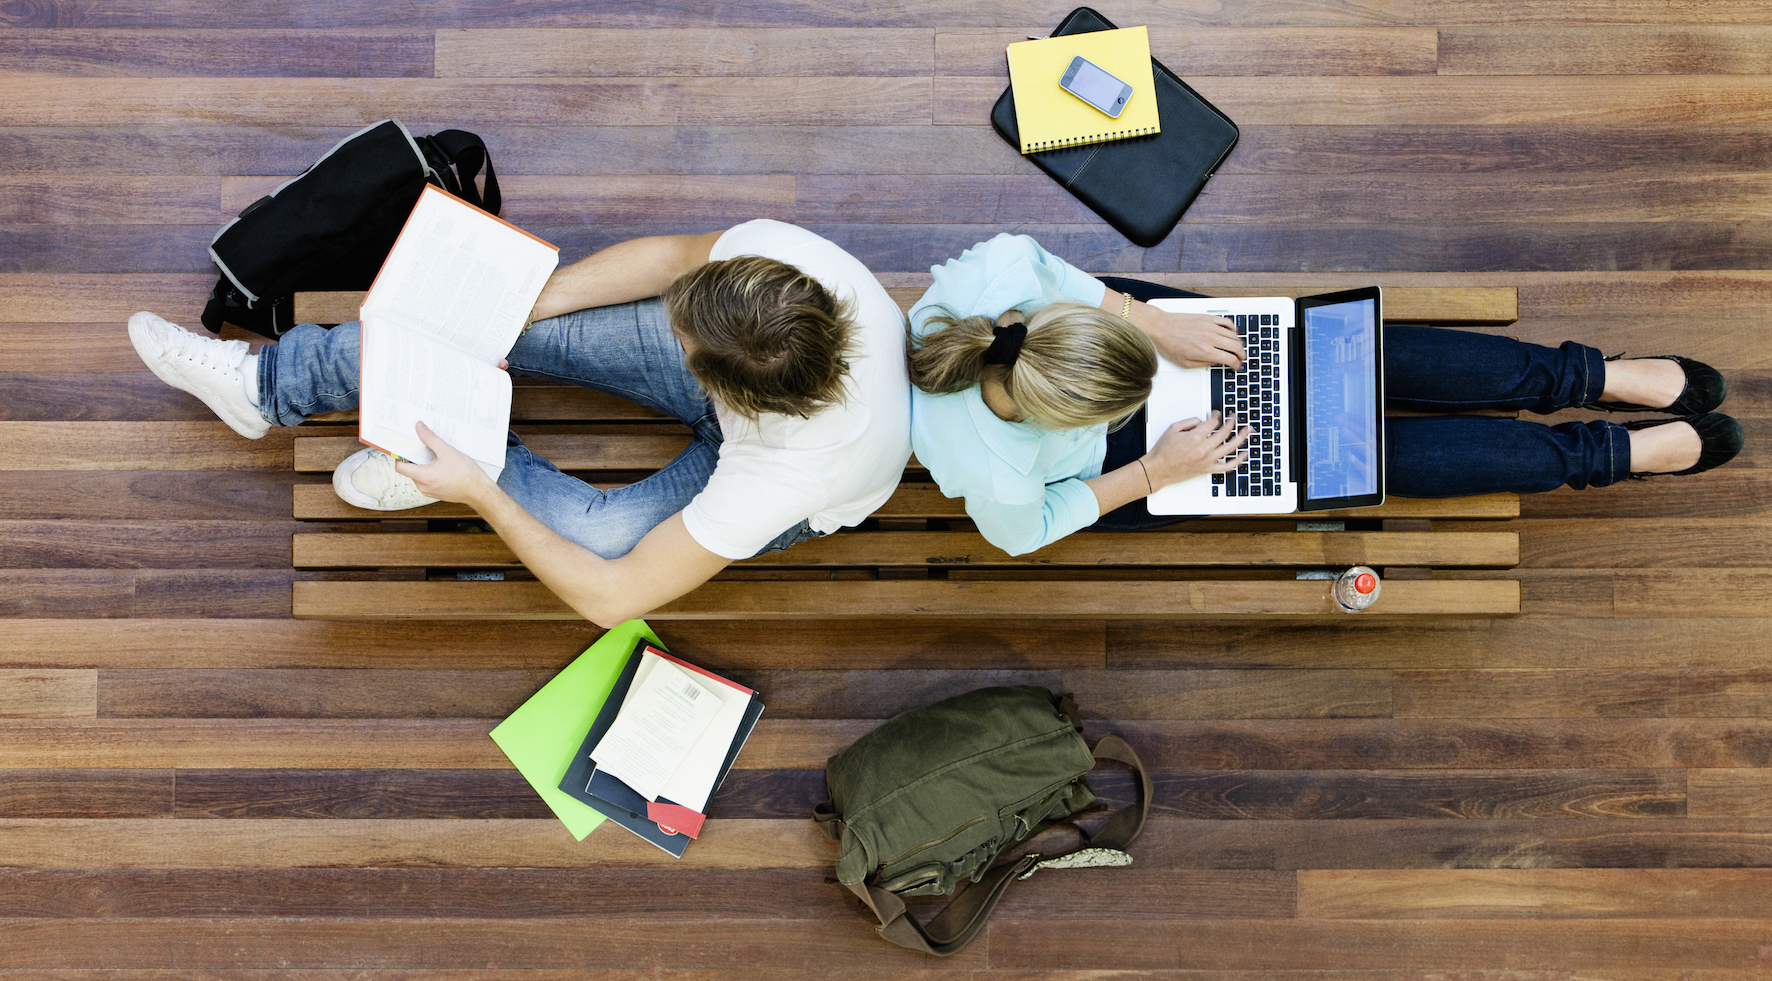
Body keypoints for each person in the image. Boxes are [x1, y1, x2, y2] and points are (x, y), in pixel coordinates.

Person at [130, 220, 911, 626]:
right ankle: (264, 385)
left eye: (682, 338)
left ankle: (457, 463)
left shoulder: (789, 473)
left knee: (602, 541)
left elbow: (613, 596)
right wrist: (531, 307)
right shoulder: (782, 269)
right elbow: (675, 254)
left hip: (787, 480)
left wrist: (480, 492)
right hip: (766, 392)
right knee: (486, 320)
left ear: (714, 380)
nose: (668, 327)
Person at [907, 234, 1743, 557]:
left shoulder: (995, 282)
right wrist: (1156, 473)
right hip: (1131, 463)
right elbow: (1028, 532)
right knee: (1349, 457)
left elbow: (1055, 274)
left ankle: (1586, 377)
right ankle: (1601, 454)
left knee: (1348, 362)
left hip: (1135, 333)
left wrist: (1157, 328)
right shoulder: (993, 472)